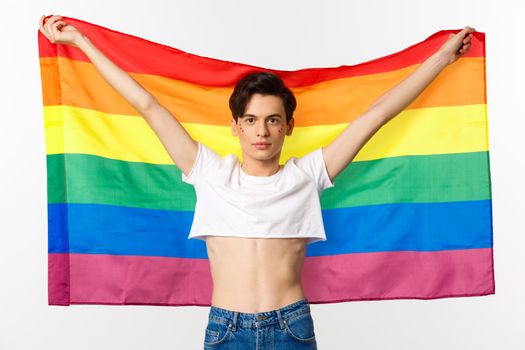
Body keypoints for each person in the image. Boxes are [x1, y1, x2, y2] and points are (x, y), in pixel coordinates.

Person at [39, 15, 475, 349]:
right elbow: (147, 105)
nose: (262, 131)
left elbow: (377, 115)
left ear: (288, 126)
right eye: (251, 120)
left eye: (272, 120)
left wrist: (442, 57)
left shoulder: (307, 176)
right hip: (225, 327)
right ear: (236, 127)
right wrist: (80, 42)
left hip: (291, 326)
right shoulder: (208, 172)